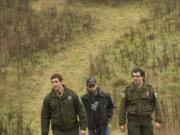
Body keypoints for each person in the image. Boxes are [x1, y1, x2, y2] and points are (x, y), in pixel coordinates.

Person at [119, 68, 163, 135]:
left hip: (146, 120)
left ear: (142, 77)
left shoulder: (149, 89)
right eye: (133, 76)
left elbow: (157, 104)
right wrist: (122, 123)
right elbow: (122, 107)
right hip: (133, 120)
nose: (135, 78)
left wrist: (158, 120)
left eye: (137, 76)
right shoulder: (127, 90)